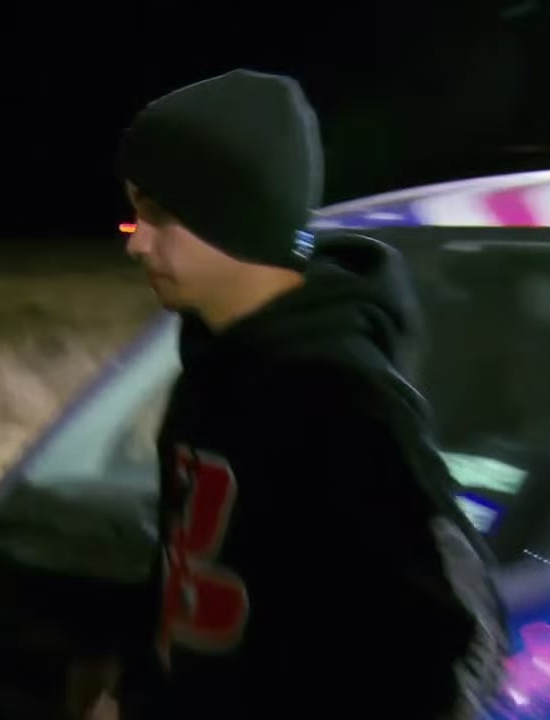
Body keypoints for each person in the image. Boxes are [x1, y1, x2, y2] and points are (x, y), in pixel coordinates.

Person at [113, 68, 509, 719]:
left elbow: (458, 639)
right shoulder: (209, 371)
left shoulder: (342, 403)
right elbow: (186, 581)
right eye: (134, 214)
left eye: (158, 214)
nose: (137, 243)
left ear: (234, 212)